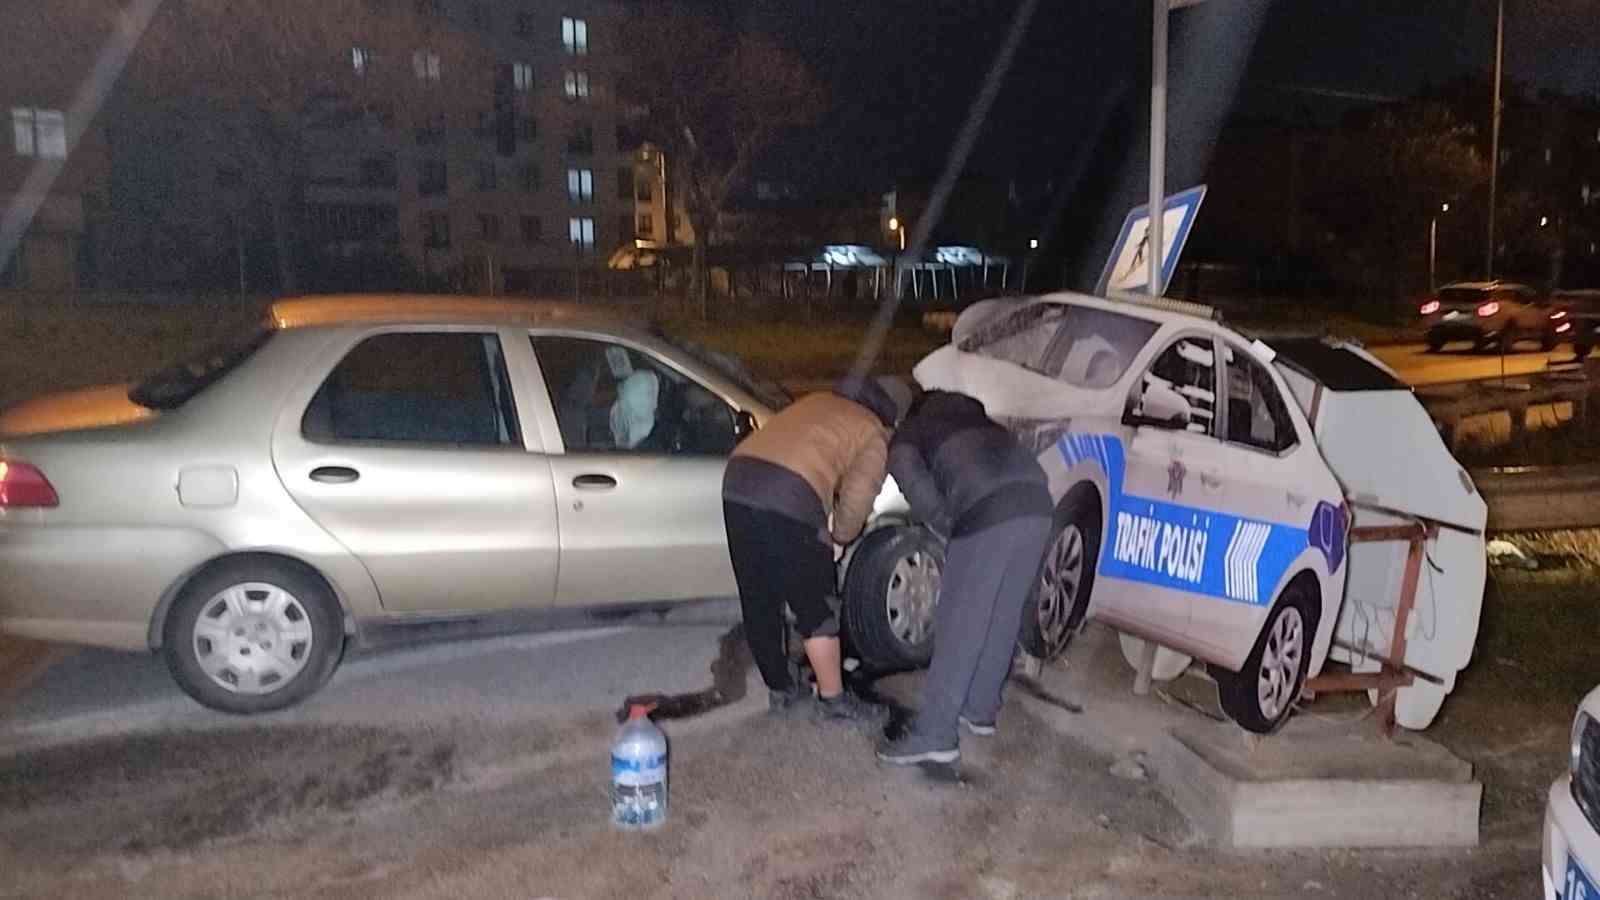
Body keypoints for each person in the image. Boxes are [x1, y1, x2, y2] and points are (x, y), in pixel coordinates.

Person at [876, 389, 1052, 765]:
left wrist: (950, 526)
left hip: (988, 509)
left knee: (961, 622)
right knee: (1003, 614)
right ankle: (980, 709)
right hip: (1038, 504)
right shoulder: (984, 424)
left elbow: (912, 481)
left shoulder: (915, 429)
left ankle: (936, 734)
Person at [721, 377, 906, 724]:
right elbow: (858, 496)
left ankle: (782, 688)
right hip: (789, 492)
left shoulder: (817, 397)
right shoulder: (872, 431)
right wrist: (839, 537)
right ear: (887, 414)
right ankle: (834, 700)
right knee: (815, 602)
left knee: (758, 595)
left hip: (737, 480)